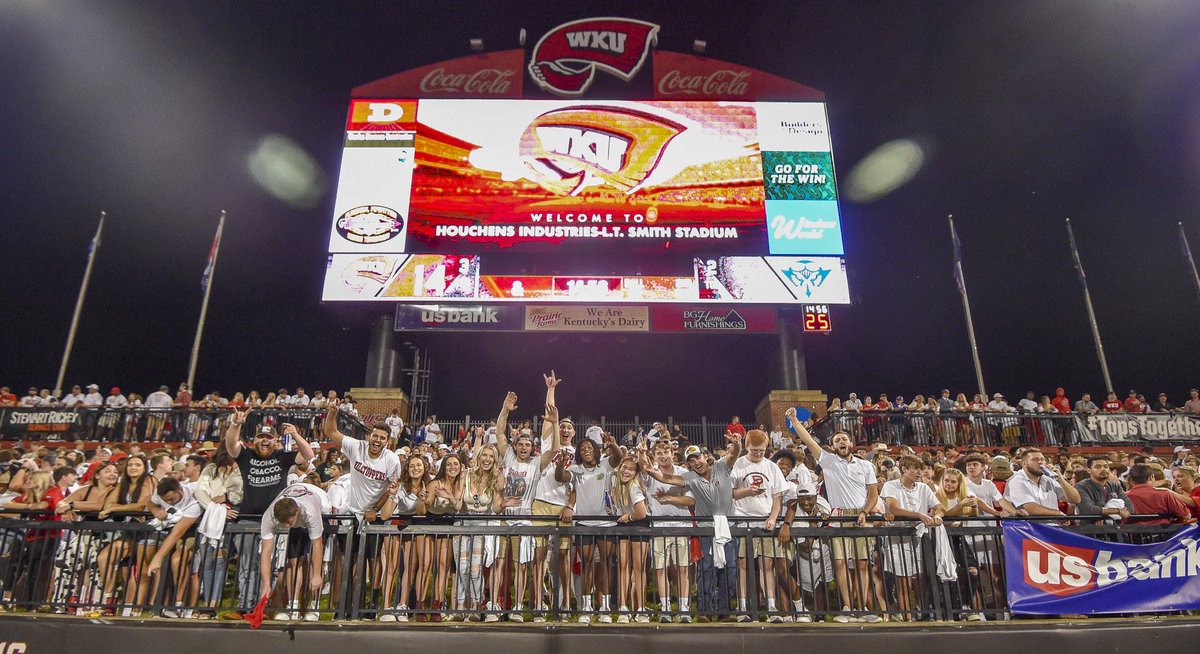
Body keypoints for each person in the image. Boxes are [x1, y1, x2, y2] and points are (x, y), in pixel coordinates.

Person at [786, 408, 883, 623]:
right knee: (840, 563)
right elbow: (809, 440)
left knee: (862, 564)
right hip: (839, 517)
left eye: (844, 439)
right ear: (833, 445)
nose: (841, 442)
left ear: (850, 443)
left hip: (861, 517)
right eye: (838, 440)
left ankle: (863, 609)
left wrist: (866, 512)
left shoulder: (865, 465)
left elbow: (873, 493)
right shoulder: (828, 461)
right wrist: (793, 419)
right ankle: (848, 607)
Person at [642, 432, 742, 623]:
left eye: (698, 457)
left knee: (729, 568)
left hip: (727, 526)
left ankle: (725, 610)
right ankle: (704, 610)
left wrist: (737, 444)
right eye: (691, 460)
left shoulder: (721, 467)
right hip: (705, 528)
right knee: (705, 569)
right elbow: (668, 479)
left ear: (705, 457)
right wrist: (651, 471)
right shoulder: (691, 477)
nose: (696, 462)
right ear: (688, 464)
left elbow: (733, 455)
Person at [224, 408, 314, 611]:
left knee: (274, 567)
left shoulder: (282, 457)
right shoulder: (247, 456)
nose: (264, 441)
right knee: (248, 566)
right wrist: (236, 424)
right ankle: (246, 607)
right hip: (248, 518)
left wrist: (296, 435)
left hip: (276, 521)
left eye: (269, 438)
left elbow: (308, 454)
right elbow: (231, 447)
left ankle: (263, 607)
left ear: (275, 441)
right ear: (254, 440)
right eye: (260, 437)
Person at [494, 379, 562, 622]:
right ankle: (494, 606)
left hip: (524, 521)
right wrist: (504, 409)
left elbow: (553, 450)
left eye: (527, 444)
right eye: (520, 443)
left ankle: (518, 607)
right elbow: (499, 432)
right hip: (503, 520)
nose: (523, 447)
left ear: (531, 448)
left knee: (522, 567)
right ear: (515, 446)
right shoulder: (509, 456)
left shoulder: (536, 463)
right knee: (499, 565)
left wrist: (554, 424)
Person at [730, 429, 787, 622]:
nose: (758, 454)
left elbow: (778, 497)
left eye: (761, 450)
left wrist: (772, 518)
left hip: (765, 520)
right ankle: (742, 606)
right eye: (754, 450)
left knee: (767, 564)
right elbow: (730, 493)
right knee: (743, 564)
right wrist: (747, 491)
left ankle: (771, 606)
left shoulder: (771, 467)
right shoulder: (739, 463)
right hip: (743, 518)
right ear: (747, 447)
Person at [880, 456, 945, 621]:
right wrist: (919, 515)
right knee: (903, 581)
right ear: (903, 469)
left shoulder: (924, 488)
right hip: (897, 538)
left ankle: (923, 614)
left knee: (920, 579)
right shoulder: (890, 485)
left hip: (919, 539)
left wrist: (937, 515)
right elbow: (894, 508)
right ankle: (907, 617)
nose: (919, 472)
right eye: (914, 468)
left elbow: (939, 507)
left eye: (920, 468)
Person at [259, 482, 332, 621]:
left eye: (288, 522)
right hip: (293, 498)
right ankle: (292, 605)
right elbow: (266, 551)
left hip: (321, 505)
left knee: (313, 560)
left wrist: (316, 575)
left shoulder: (310, 511)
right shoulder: (269, 515)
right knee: (293, 562)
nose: (285, 526)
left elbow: (317, 545)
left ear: (297, 512)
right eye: (283, 523)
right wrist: (266, 584)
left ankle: (314, 606)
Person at [640, 439, 694, 623]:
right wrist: (641, 453)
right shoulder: (650, 472)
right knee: (660, 569)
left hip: (682, 525)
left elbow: (690, 501)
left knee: (683, 569)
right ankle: (665, 608)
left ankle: (684, 608)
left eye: (666, 452)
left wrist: (668, 498)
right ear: (654, 456)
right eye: (659, 453)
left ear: (673, 453)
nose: (663, 456)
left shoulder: (684, 473)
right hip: (659, 527)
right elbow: (642, 467)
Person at [377, 454, 429, 622]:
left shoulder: (428, 485)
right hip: (395, 523)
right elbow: (385, 515)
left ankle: (402, 605)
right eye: (412, 466)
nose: (416, 468)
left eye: (419, 465)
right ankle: (386, 608)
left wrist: (422, 499)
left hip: (414, 526)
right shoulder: (399, 487)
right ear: (407, 469)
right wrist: (392, 495)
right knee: (391, 566)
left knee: (410, 567)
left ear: (424, 468)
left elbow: (422, 512)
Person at [609, 454, 648, 623]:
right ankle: (624, 607)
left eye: (631, 469)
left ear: (635, 473)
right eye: (624, 467)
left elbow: (642, 513)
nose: (626, 471)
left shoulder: (634, 486)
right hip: (624, 524)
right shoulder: (616, 485)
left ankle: (640, 609)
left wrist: (629, 517)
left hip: (638, 525)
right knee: (623, 566)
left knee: (638, 568)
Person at [1002, 450, 1081, 517]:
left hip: (1051, 528)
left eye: (1042, 459)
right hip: (1029, 531)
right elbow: (1032, 509)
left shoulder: (1049, 479)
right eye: (1035, 460)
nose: (1040, 462)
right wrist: (1058, 514)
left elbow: (1075, 499)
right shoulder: (1016, 481)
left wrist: (1060, 479)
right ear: (1024, 464)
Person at [1126, 464, 1193, 525]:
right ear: (1151, 477)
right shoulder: (1165, 494)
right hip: (1166, 536)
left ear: (1131, 480)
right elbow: (1186, 515)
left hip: (1133, 536)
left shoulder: (1124, 497)